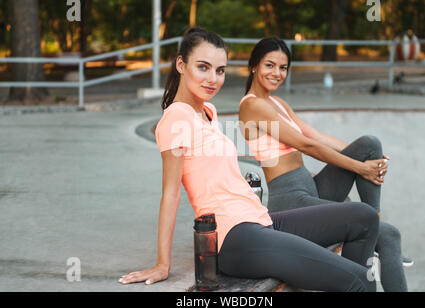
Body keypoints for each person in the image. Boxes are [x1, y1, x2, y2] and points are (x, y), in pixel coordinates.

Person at [118, 27, 380, 292]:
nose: (213, 79)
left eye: (220, 70)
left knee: (364, 217)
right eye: (203, 67)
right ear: (181, 65)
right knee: (361, 279)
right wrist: (163, 264)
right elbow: (171, 193)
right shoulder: (176, 119)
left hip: (260, 220)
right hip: (235, 237)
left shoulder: (208, 111)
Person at [238, 37, 408, 292]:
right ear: (254, 66)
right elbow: (308, 147)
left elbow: (315, 136)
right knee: (390, 234)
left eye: (283, 68)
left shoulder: (276, 103)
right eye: (269, 65)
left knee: (370, 145)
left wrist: (368, 160)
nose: (277, 73)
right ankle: (373, 233)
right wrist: (359, 168)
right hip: (291, 200)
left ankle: (373, 222)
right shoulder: (252, 106)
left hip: (312, 188)